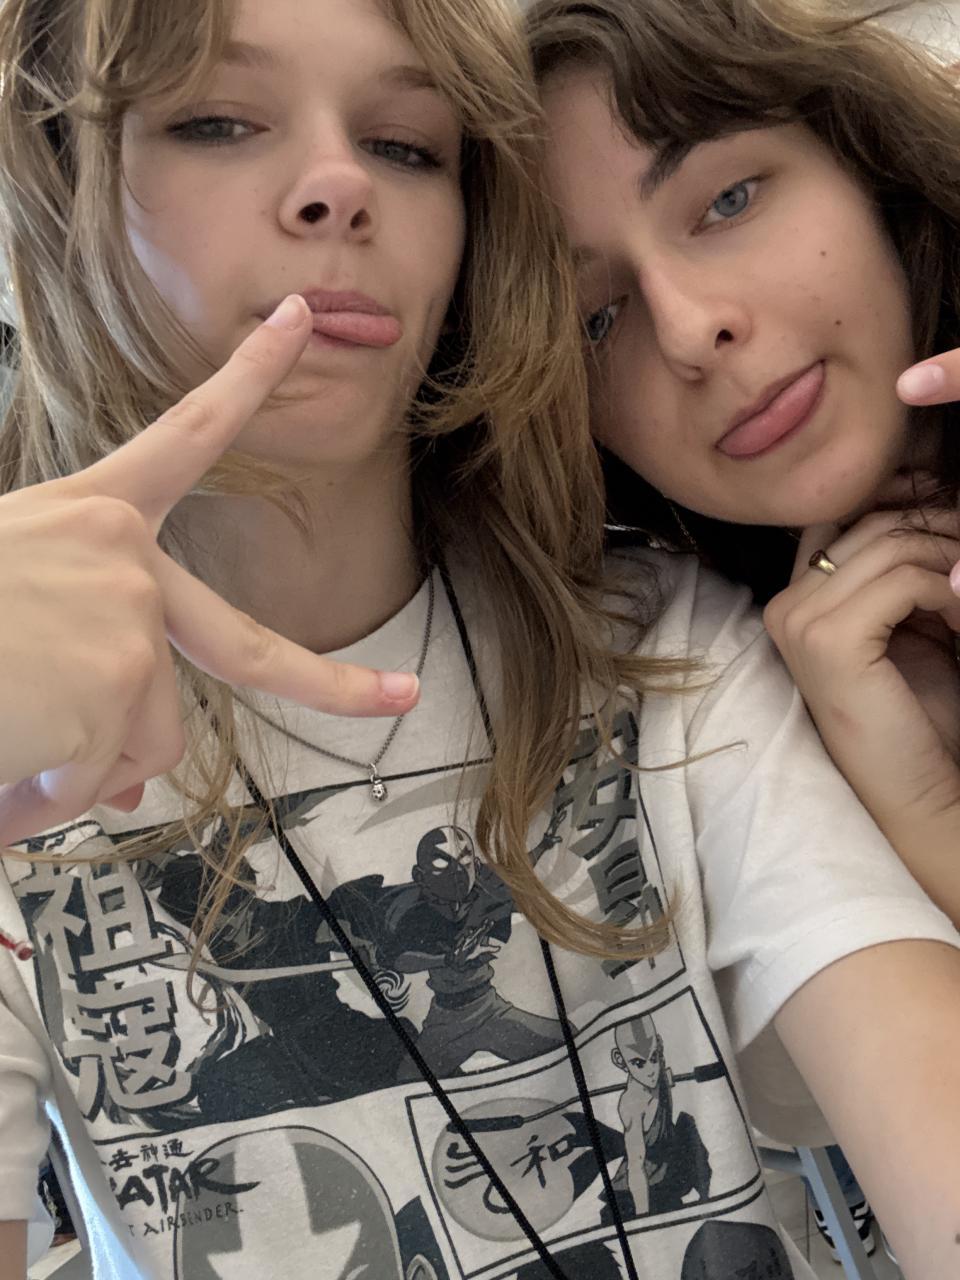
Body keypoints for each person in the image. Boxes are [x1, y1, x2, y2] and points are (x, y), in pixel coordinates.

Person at [0, 3, 959, 1280]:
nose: (338, 182)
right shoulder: (27, 741)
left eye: (407, 145)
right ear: (57, 193)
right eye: (216, 122)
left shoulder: (662, 644)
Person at [524, 0, 960, 1261]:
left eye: (727, 199)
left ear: (866, 163)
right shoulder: (719, 678)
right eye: (595, 317)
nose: (688, 327)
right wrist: (922, 801)